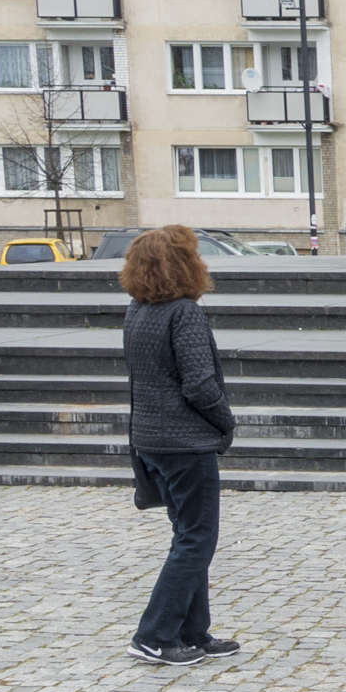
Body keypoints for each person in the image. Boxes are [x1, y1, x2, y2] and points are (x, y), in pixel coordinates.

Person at [121, 224, 240, 665]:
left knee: (188, 536)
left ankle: (192, 633)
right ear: (184, 265)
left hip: (151, 440)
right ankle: (153, 635)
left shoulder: (137, 309)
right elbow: (199, 384)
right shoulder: (184, 312)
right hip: (184, 443)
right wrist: (226, 421)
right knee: (196, 540)